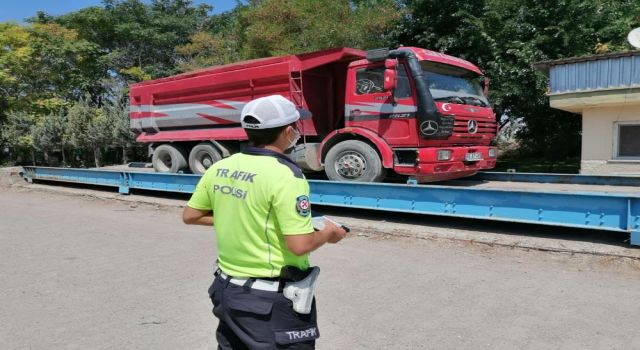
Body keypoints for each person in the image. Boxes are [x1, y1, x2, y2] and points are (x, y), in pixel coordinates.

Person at [182, 94, 347, 349]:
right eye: (296, 127)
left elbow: (191, 215)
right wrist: (329, 233)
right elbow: (300, 245)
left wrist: (240, 218)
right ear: (288, 131)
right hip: (268, 304)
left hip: (227, 292)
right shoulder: (286, 175)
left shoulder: (221, 167)